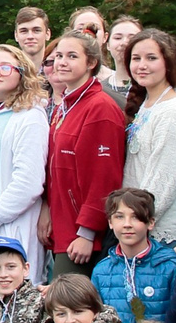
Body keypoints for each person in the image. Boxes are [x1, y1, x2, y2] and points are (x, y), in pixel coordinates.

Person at [42, 34, 127, 276]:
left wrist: (87, 232)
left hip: (83, 235)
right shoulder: (64, 107)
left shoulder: (100, 108)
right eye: (58, 56)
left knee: (68, 303)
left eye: (72, 56)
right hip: (62, 226)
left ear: (91, 62)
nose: (62, 62)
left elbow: (105, 177)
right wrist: (46, 207)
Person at [0, 45, 50, 290]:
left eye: (5, 67)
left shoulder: (30, 117)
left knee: (15, 298)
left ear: (22, 74)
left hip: (13, 225)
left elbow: (29, 182)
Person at [118, 29, 176, 249]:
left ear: (168, 63)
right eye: (136, 58)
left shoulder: (173, 110)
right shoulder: (148, 104)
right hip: (136, 225)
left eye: (151, 58)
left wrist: (136, 221)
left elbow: (165, 179)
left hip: (157, 233)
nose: (142, 65)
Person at [91, 186, 176, 323]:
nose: (127, 224)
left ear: (150, 222)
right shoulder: (101, 270)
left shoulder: (172, 265)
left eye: (135, 217)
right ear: (110, 222)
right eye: (119, 217)